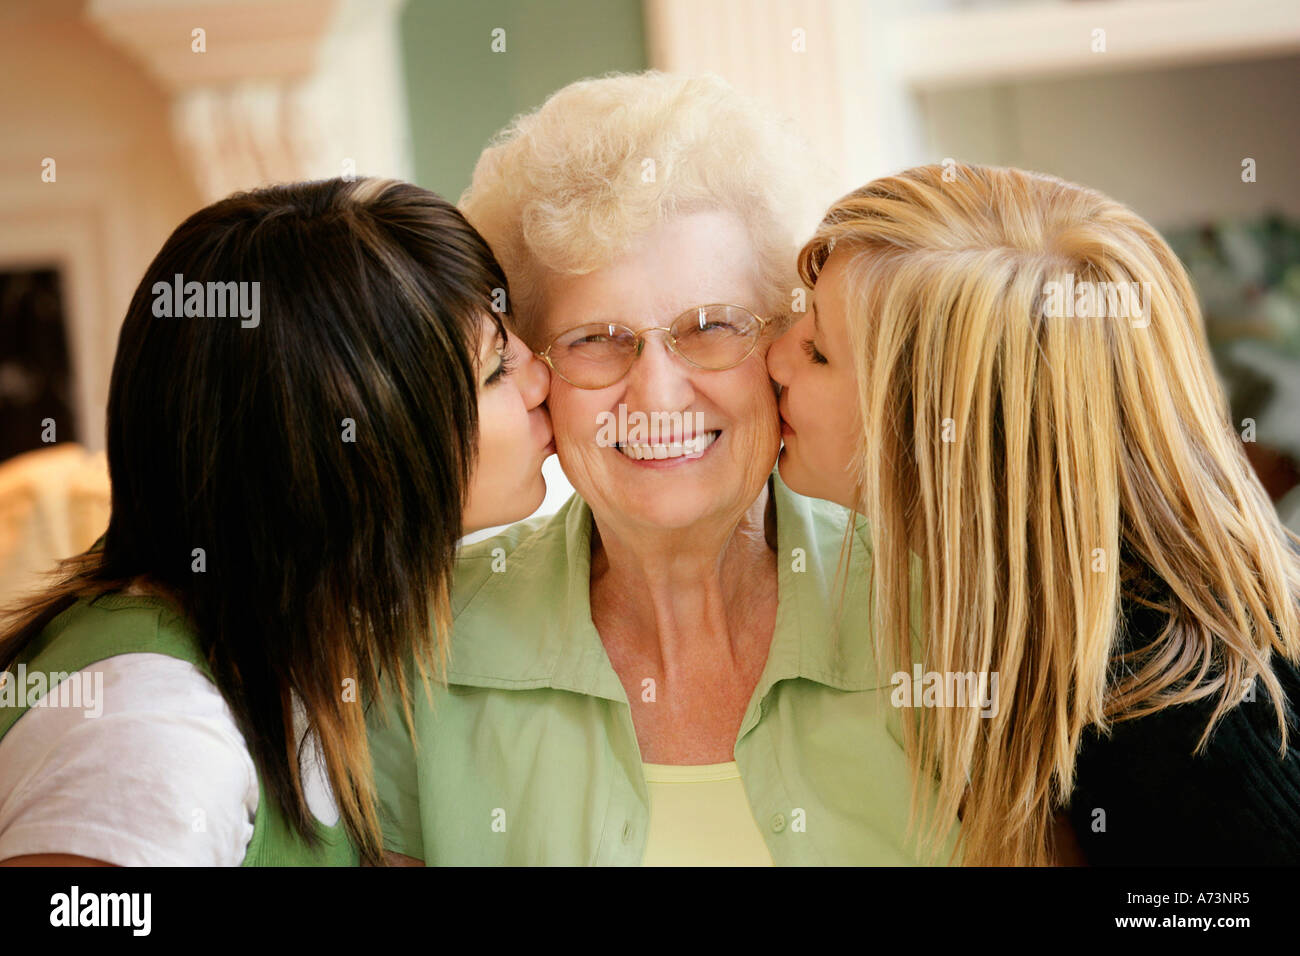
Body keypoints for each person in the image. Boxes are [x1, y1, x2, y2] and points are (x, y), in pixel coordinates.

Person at [369, 72, 958, 866]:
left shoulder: (945, 614)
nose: (656, 393)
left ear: (786, 346)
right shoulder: (418, 651)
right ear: (536, 374)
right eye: (594, 340)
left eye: (711, 327)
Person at [0, 177, 553, 866]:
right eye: (498, 369)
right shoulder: (159, 736)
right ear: (358, 448)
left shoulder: (300, 658)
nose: (544, 379)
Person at [767, 161, 1300, 865]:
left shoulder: (1182, 733)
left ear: (939, 439)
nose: (773, 357)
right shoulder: (1080, 629)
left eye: (817, 353)